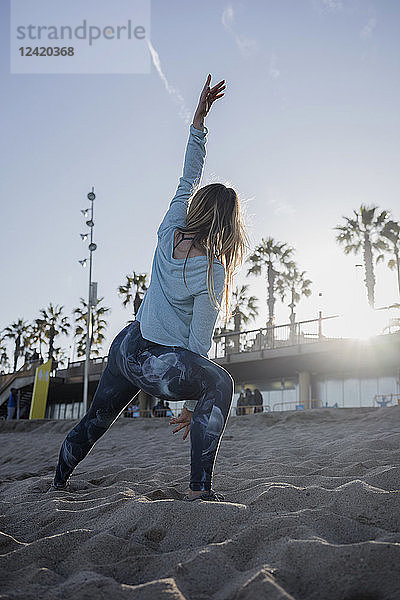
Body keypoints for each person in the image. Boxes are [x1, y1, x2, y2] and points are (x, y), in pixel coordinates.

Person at [50, 74, 249, 502]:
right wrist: (189, 404)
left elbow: (187, 177)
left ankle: (58, 481)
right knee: (221, 384)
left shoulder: (170, 226)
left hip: (126, 346)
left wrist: (199, 120)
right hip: (157, 363)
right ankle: (199, 490)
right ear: (228, 227)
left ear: (197, 210)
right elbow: (197, 346)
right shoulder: (213, 270)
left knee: (95, 421)